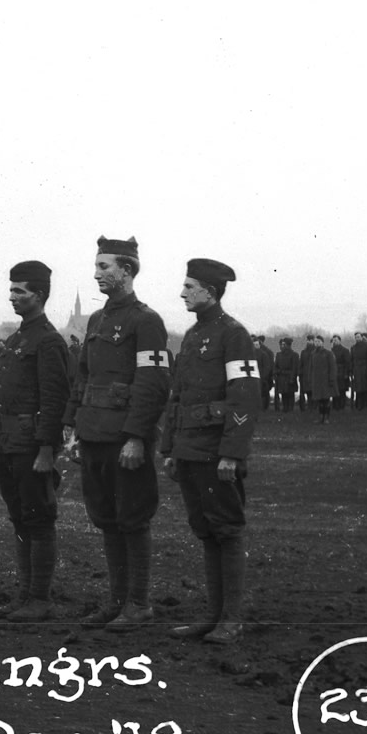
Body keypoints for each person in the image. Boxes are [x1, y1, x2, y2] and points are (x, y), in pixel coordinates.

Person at [64, 236, 169, 633]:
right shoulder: (96, 320)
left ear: (127, 270)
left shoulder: (146, 321)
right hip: (93, 435)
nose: (97, 274)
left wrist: (136, 437)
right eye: (96, 266)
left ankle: (138, 603)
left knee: (132, 519)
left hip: (124, 440)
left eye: (105, 267)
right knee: (106, 519)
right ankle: (116, 601)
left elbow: (153, 384)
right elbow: (84, 378)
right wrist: (72, 428)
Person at [165, 258, 259, 644]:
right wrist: (170, 448)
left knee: (226, 530)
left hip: (216, 452)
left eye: (190, 287)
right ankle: (213, 615)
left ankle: (231, 618)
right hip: (190, 450)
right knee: (206, 531)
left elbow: (245, 396)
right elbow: (178, 397)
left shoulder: (233, 335)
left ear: (211, 292)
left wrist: (232, 454)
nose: (183, 293)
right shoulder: (191, 336)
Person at [0, 260, 70, 621]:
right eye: (10, 290)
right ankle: (24, 595)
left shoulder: (49, 341)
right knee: (20, 519)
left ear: (39, 295)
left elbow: (54, 400)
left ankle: (40, 598)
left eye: (19, 291)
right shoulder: (16, 339)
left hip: (31, 446)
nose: (12, 297)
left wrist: (45, 449)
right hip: (9, 443)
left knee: (38, 521)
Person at [300, 334, 336, 424]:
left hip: (326, 380)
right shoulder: (313, 354)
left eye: (318, 342)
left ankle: (326, 417)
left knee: (326, 400)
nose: (317, 343)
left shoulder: (328, 353)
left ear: (322, 343)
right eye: (315, 342)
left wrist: (331, 379)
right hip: (316, 381)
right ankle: (320, 417)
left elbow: (332, 367)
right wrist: (309, 379)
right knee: (319, 400)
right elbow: (310, 368)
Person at [272, 337, 299, 412]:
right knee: (283, 394)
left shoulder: (294, 355)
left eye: (284, 344)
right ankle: (285, 408)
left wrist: (292, 378)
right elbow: (275, 366)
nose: (283, 346)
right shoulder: (279, 355)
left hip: (289, 377)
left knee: (290, 394)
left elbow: (294, 368)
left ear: (288, 345)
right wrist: (275, 374)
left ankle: (290, 409)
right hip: (281, 377)